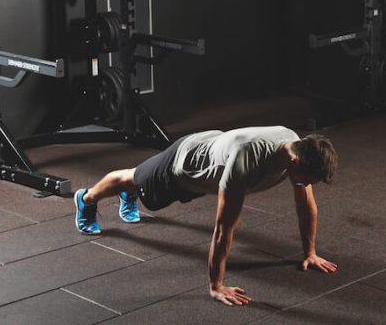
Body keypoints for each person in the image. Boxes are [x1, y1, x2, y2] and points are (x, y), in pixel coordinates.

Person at [73, 126, 339, 306]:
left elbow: (305, 205)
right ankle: (86, 199)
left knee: (135, 186)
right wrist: (217, 285)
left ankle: (128, 194)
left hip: (211, 161)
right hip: (183, 164)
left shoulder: (297, 146)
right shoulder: (245, 161)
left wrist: (310, 252)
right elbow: (224, 228)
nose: (304, 185)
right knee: (130, 178)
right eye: (306, 179)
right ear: (296, 162)